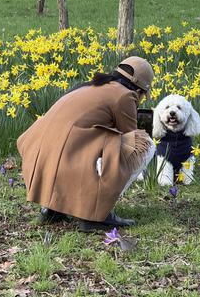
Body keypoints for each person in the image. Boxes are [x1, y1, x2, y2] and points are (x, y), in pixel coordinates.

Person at [17, 56, 156, 232]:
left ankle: (53, 208)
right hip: (67, 158)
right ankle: (96, 214)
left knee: (85, 143)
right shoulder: (125, 95)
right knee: (146, 145)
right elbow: (132, 139)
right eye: (143, 95)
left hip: (37, 155)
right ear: (139, 90)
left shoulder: (87, 86)